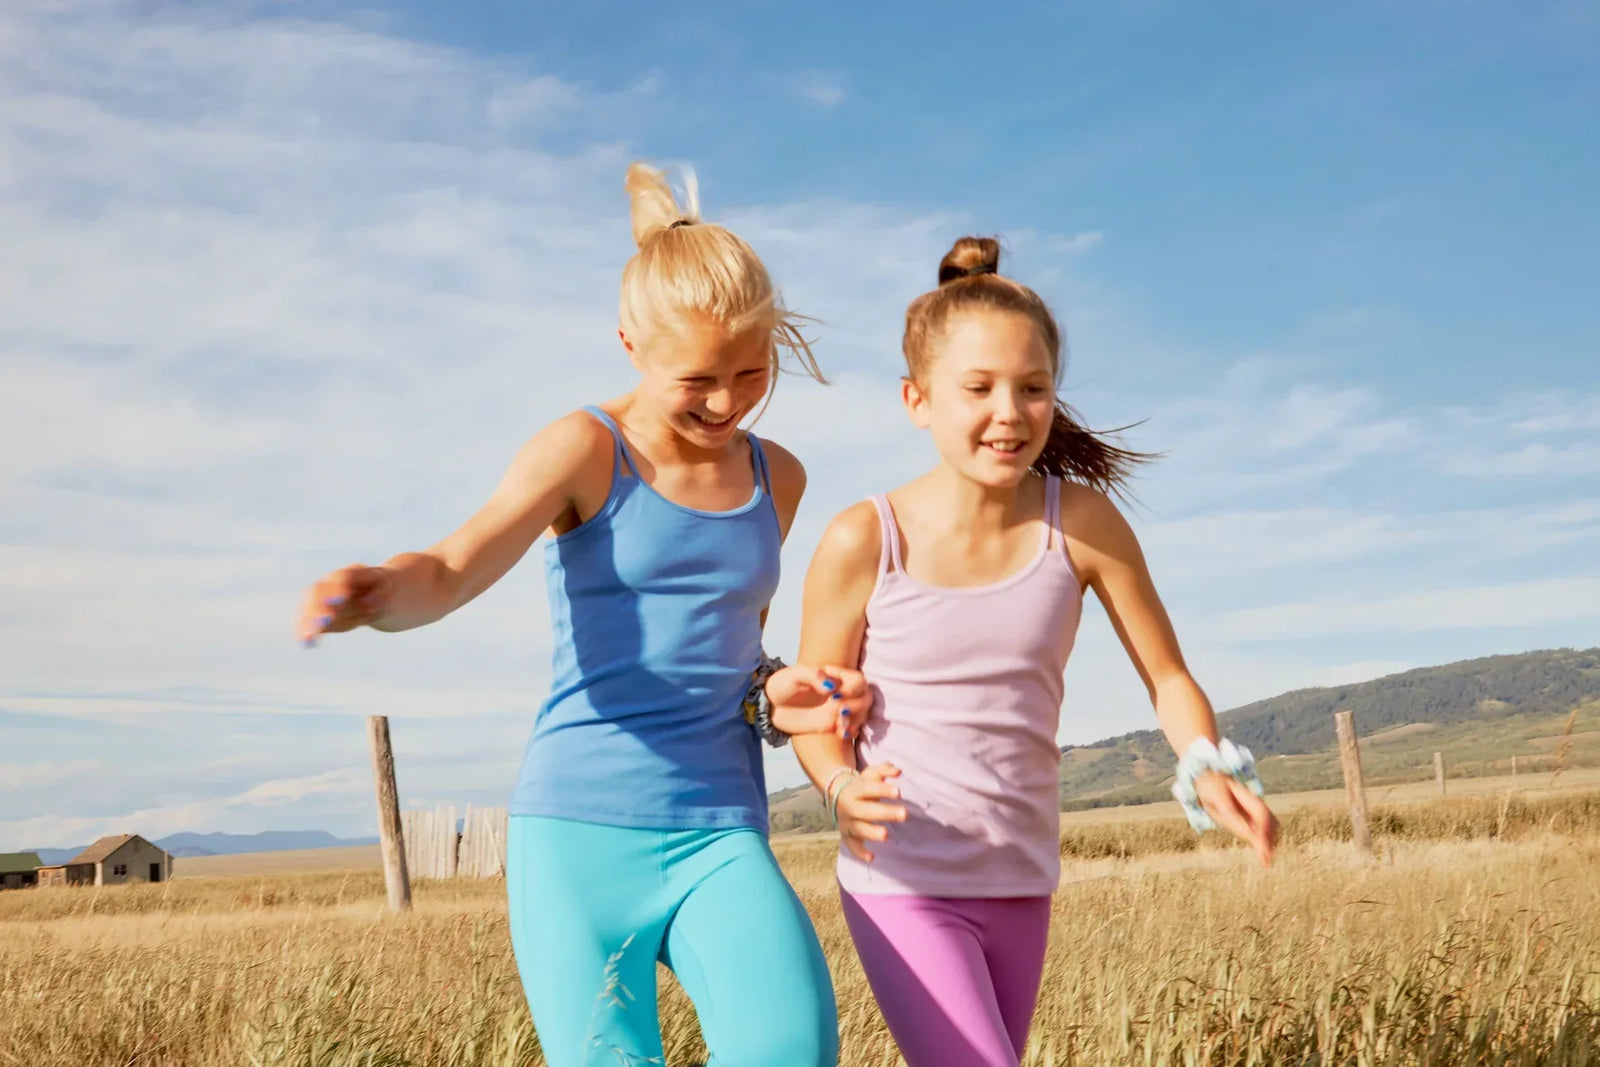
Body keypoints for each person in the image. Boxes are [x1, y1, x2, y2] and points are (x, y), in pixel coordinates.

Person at [296, 163, 868, 1067]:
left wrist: (777, 688)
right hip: (578, 836)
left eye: (751, 372)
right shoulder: (584, 449)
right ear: (630, 345)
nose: (726, 401)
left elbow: (733, 647)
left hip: (721, 825)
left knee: (791, 1048)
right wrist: (379, 593)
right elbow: (450, 565)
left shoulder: (778, 477)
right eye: (698, 379)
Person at [790, 236, 1279, 1067]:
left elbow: (1167, 674)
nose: (1010, 412)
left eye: (1034, 388)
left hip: (1022, 879)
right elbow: (811, 710)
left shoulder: (1082, 524)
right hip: (903, 878)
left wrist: (1208, 761)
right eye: (977, 388)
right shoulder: (864, 538)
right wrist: (840, 786)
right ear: (917, 399)